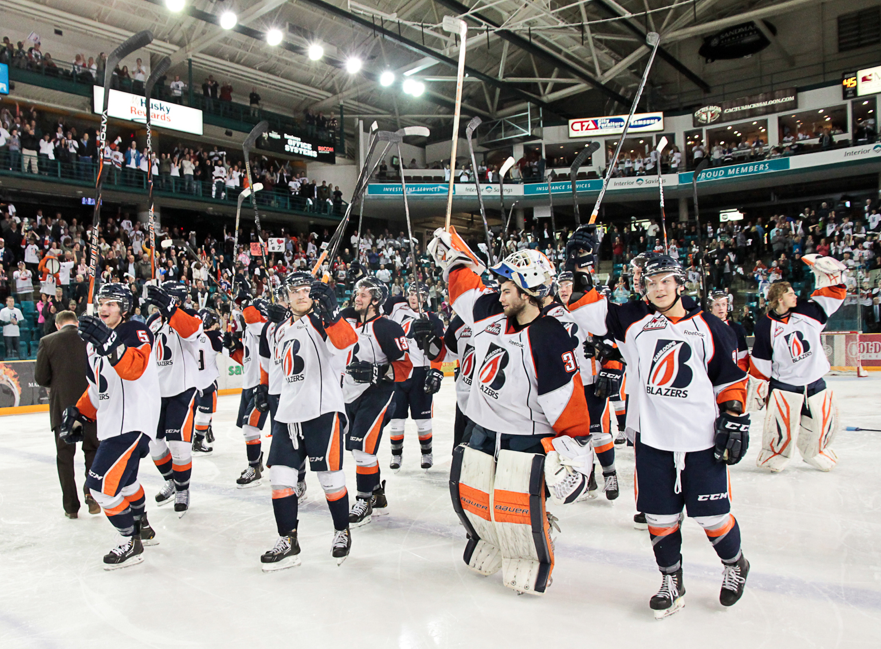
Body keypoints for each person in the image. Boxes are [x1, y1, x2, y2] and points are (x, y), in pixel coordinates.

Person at [565, 226, 751, 617]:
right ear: (643, 287)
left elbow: (730, 382)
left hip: (701, 438)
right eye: (651, 282)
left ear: (679, 283)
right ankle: (671, 578)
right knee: (659, 515)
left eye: (665, 280)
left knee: (712, 514)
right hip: (652, 438)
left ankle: (735, 565)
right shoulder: (632, 319)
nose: (659, 288)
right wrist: (581, 265)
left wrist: (734, 418)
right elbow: (585, 306)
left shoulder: (712, 327)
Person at [426, 230, 594, 596]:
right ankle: (488, 540)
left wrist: (577, 452)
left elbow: (568, 402)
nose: (498, 293)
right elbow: (466, 289)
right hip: (483, 429)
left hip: (525, 436)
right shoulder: (492, 313)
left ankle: (529, 556)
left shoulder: (550, 337)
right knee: (473, 497)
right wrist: (450, 256)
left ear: (529, 292)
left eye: (507, 288)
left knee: (514, 506)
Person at [259, 273, 358, 570]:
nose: (302, 295)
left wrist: (333, 315)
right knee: (280, 481)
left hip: (322, 412)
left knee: (330, 480)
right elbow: (278, 370)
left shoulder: (321, 321)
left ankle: (342, 530)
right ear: (286, 297)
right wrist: (265, 393)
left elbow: (346, 347)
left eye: (306, 290)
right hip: (287, 415)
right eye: (295, 291)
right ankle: (288, 540)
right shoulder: (278, 330)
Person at [60, 283, 160, 569]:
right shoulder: (92, 342)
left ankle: (130, 541)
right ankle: (142, 526)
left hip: (133, 420)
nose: (104, 308)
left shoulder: (135, 331)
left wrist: (108, 342)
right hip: (112, 422)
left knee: (100, 486)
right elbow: (97, 388)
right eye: (102, 303)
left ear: (124, 309)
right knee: (126, 483)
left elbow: (134, 368)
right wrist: (80, 412)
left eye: (112, 304)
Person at [750, 256, 847, 472]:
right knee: (780, 426)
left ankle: (816, 452)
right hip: (785, 385)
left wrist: (833, 280)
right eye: (790, 293)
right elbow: (761, 360)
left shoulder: (807, 311)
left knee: (821, 422)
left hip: (814, 381)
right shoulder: (765, 326)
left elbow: (833, 296)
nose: (795, 295)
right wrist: (760, 388)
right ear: (779, 299)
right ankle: (773, 455)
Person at [340, 276, 412, 526]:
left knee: (361, 448)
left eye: (363, 295)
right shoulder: (347, 319)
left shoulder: (387, 327)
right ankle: (377, 494)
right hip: (349, 394)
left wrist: (377, 373)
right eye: (357, 293)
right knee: (361, 450)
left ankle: (364, 499)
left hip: (378, 394)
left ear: (376, 300)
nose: (356, 298)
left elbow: (405, 366)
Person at [144, 281, 204, 516]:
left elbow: (189, 331)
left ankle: (182, 489)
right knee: (154, 444)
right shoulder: (153, 322)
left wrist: (171, 310)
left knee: (179, 447)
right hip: (156, 393)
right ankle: (171, 480)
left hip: (182, 390)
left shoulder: (191, 316)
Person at [35, 309, 101, 518]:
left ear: (58, 324)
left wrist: (57, 383)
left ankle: (71, 507)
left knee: (65, 457)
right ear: (75, 322)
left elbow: (40, 377)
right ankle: (91, 493)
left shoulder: (48, 341)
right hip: (90, 405)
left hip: (62, 407)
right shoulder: (90, 339)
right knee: (92, 450)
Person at [382, 281, 445, 470]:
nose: (412, 298)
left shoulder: (432, 319)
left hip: (420, 372)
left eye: (417, 295)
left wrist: (436, 370)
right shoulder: (396, 309)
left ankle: (427, 454)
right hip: (399, 370)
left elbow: (440, 348)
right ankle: (396, 455)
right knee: (397, 417)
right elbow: (383, 300)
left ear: (425, 298)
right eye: (410, 294)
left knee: (422, 418)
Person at [224, 281, 269, 488]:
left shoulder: (263, 326)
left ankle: (254, 468)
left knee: (250, 428)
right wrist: (233, 350)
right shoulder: (250, 330)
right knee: (247, 427)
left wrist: (245, 301)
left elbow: (251, 317)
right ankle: (255, 463)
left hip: (262, 384)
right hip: (248, 384)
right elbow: (247, 359)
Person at [191, 309, 223, 455]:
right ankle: (198, 440)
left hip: (191, 381)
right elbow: (228, 348)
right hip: (208, 381)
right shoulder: (214, 336)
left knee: (192, 413)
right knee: (205, 412)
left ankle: (205, 427)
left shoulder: (190, 335)